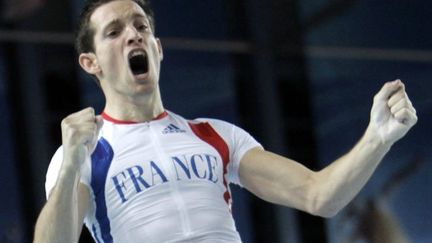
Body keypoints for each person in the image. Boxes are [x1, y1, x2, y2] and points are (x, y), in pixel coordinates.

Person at [33, 0, 418, 242]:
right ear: (91, 62)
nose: (132, 35)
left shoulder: (215, 135)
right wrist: (68, 165)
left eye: (141, 26)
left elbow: (318, 196)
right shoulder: (83, 154)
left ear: (158, 48)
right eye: (114, 32)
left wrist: (378, 138)